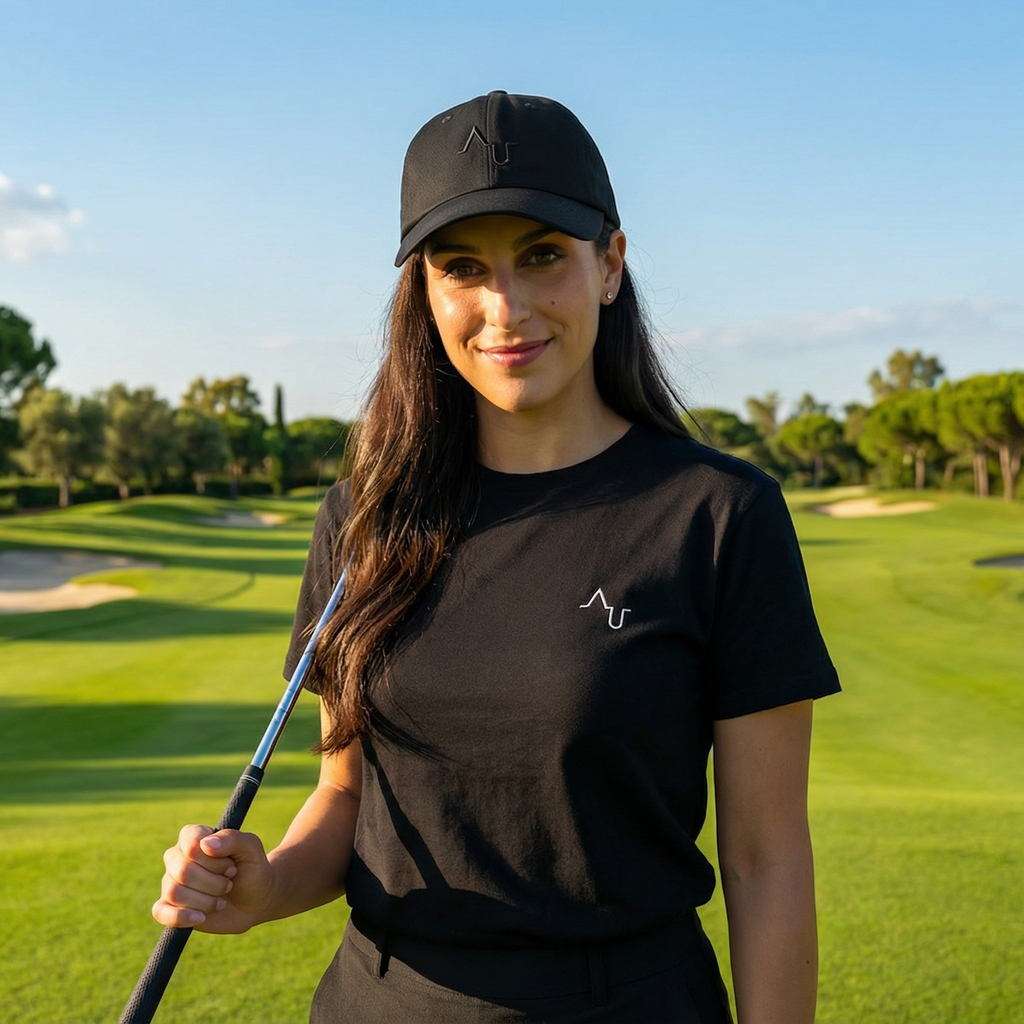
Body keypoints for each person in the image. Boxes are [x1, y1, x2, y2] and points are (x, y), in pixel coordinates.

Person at [154, 91, 840, 1023]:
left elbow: (766, 857)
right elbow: (345, 800)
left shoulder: (720, 515)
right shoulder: (361, 523)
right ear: (426, 292)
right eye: (463, 267)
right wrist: (264, 885)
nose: (503, 308)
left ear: (610, 265)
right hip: (382, 1002)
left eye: (542, 256)